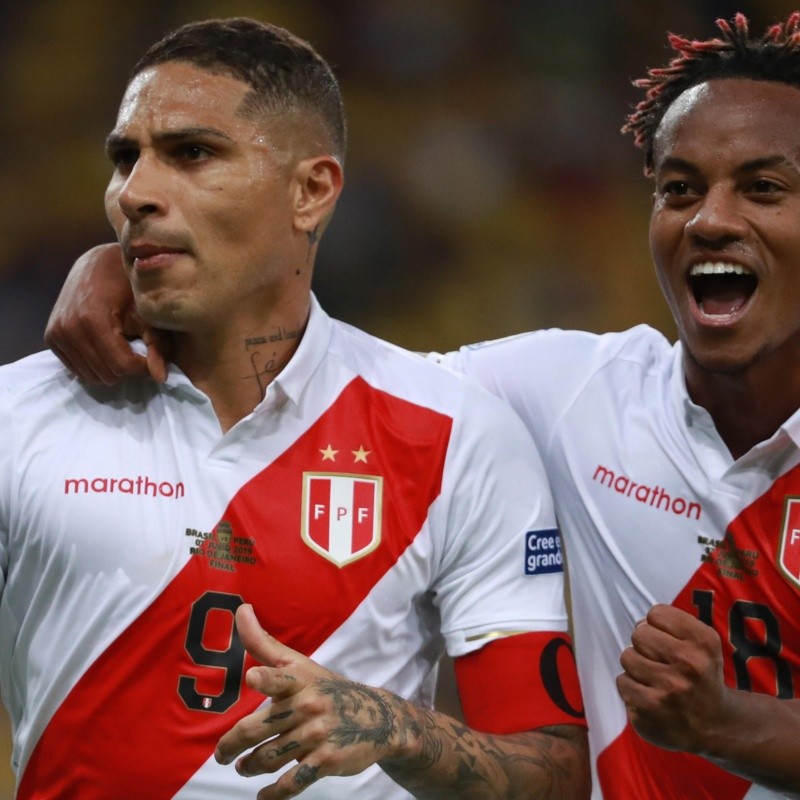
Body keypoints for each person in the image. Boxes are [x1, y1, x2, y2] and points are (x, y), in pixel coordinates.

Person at [44, 10, 800, 799]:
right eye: (680, 189)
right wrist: (134, 271)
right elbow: (345, 382)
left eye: (764, 188)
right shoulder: (570, 391)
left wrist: (724, 724)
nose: (710, 219)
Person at [0, 17, 591, 800]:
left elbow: (554, 776)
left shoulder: (457, 437)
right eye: (124, 159)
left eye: (191, 154)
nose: (134, 193)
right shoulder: (18, 415)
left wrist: (397, 729)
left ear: (311, 191)